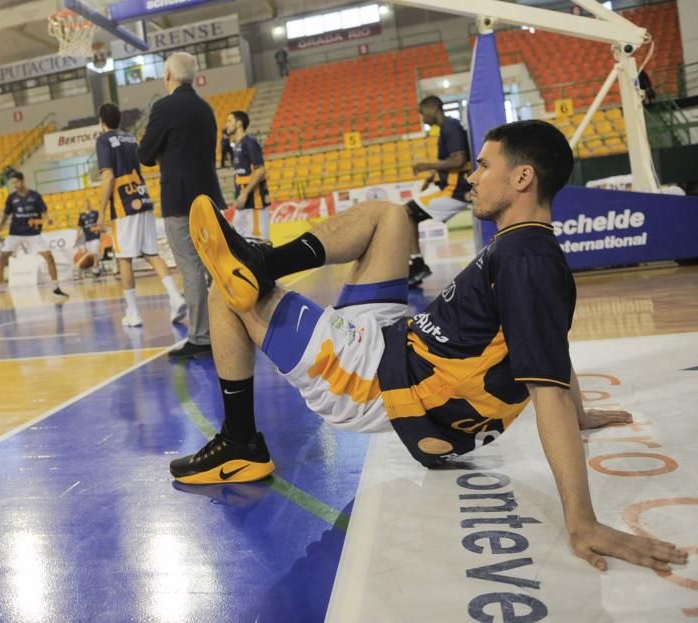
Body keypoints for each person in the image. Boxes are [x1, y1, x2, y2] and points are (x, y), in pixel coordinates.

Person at [170, 120, 690, 574]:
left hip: (378, 379)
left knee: (223, 294)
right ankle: (261, 266)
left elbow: (545, 389)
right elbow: (549, 342)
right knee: (389, 217)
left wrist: (583, 521)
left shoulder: (525, 260)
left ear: (523, 178)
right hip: (402, 339)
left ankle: (240, 443)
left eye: (484, 166)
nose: (471, 175)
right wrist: (581, 413)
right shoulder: (527, 247)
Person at [138, 51, 224, 359]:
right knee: (215, 264)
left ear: (168, 77)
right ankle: (226, 325)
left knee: (190, 266)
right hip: (210, 195)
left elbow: (145, 154)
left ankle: (201, 336)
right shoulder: (206, 108)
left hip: (180, 198)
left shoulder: (164, 107)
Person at [95, 103, 187, 327]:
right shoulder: (130, 138)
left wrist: (100, 212)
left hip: (124, 204)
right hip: (143, 199)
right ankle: (175, 297)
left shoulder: (103, 140)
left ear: (102, 121)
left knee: (124, 258)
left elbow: (108, 178)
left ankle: (133, 313)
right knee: (152, 254)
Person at [405, 95, 473, 288]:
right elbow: (451, 160)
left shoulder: (450, 127)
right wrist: (430, 177)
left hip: (454, 189)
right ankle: (416, 264)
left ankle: (417, 265)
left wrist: (427, 165)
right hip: (447, 186)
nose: (422, 117)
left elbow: (458, 160)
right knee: (407, 213)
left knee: (406, 212)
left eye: (422, 112)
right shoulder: (448, 127)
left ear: (434, 107)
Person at [0, 171, 68, 303]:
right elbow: (6, 213)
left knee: (49, 257)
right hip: (15, 233)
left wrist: (48, 219)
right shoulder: (12, 197)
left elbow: (43, 210)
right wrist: (1, 225)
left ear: (23, 181)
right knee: (2, 259)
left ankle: (55, 287)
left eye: (16, 182)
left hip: (33, 234)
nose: (15, 185)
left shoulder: (35, 196)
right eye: (13, 183)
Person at [226, 110, 271, 243]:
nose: (226, 124)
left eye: (230, 121)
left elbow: (260, 170)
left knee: (260, 243)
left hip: (254, 203)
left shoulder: (249, 142)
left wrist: (244, 194)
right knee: (240, 243)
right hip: (244, 205)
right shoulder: (237, 145)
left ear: (239, 123)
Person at [76, 200, 102, 278]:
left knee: (95, 252)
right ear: (84, 205)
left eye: (88, 203)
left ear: (90, 204)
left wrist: (100, 230)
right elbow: (80, 227)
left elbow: (100, 223)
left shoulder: (95, 213)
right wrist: (77, 236)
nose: (87, 204)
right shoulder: (82, 215)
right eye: (85, 203)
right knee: (92, 253)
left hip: (95, 235)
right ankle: (96, 269)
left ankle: (95, 267)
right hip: (87, 238)